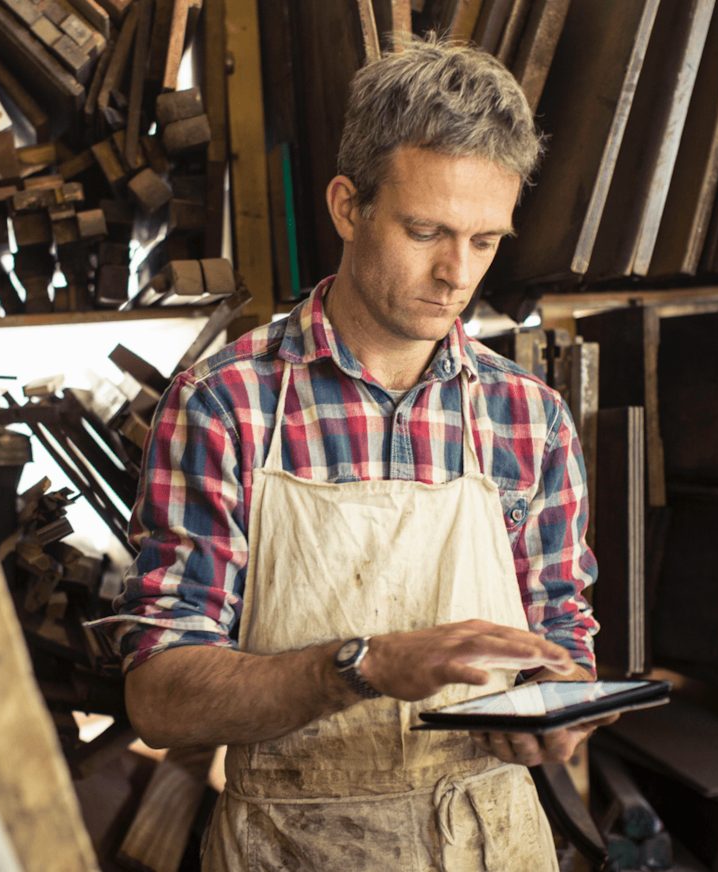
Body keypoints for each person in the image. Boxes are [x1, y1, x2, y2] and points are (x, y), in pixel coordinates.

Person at [99, 35, 605, 871]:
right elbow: (160, 700)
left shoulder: (531, 419)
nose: (456, 274)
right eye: (426, 230)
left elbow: (563, 636)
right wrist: (362, 667)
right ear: (347, 206)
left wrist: (563, 712)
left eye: (485, 241)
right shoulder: (227, 404)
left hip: (491, 845)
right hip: (295, 849)